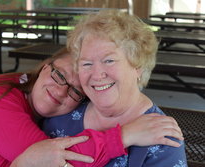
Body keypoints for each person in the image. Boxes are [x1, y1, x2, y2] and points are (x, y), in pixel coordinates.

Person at [0, 47, 183, 167]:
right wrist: (125, 135)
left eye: (76, 91)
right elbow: (50, 160)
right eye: (59, 75)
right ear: (45, 67)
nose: (61, 90)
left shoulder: (56, 117)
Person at [43, 10, 188, 167]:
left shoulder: (162, 137)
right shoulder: (64, 111)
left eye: (109, 60)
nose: (97, 75)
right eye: (87, 64)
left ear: (137, 65)